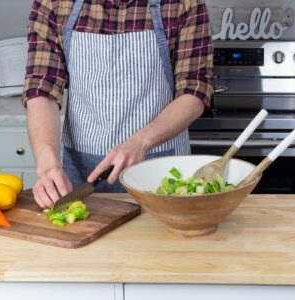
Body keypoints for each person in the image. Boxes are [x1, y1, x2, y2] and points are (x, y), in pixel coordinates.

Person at [23, 0, 213, 209]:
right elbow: (42, 88)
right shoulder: (54, 3)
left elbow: (195, 91)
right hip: (79, 174)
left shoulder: (183, 4)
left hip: (160, 172)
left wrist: (141, 141)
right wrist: (47, 163)